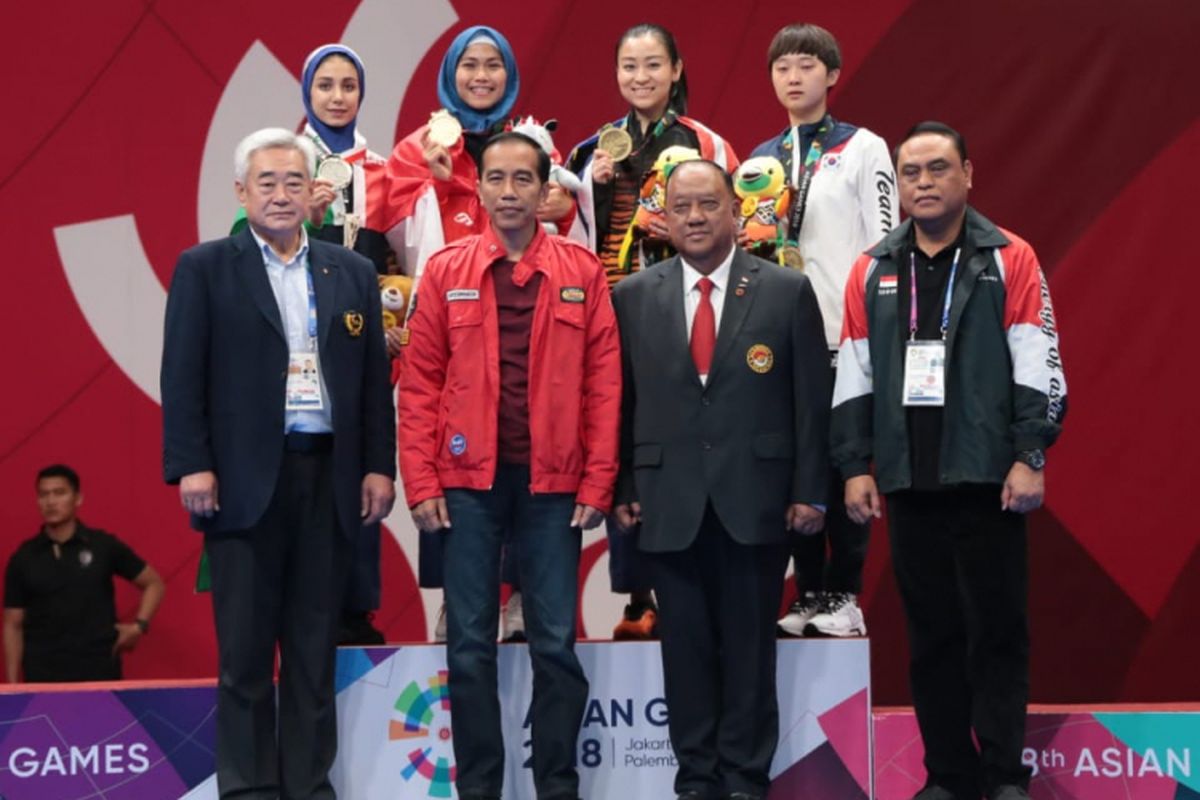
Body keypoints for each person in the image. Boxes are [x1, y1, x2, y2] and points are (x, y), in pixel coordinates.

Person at [833, 121, 1067, 800]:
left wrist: (1029, 452)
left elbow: (1038, 359)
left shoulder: (1008, 257)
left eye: (938, 169)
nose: (924, 183)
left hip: (988, 479)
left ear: (969, 173)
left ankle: (1002, 775)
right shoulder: (873, 266)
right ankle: (946, 776)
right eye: (912, 172)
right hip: (908, 480)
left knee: (997, 633)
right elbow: (853, 371)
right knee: (931, 637)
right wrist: (854, 464)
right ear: (899, 183)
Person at [161, 127, 396, 800]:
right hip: (240, 485)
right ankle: (247, 790)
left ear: (313, 194)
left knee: (313, 654)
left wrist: (379, 466)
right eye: (267, 182)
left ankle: (309, 786)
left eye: (294, 182)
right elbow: (182, 376)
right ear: (241, 192)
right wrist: (191, 466)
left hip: (329, 479)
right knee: (243, 656)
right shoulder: (204, 268)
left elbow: (372, 383)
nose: (281, 195)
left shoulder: (349, 270)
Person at [396, 132, 620, 800]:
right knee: (468, 649)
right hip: (467, 487)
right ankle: (479, 790)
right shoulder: (445, 270)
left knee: (554, 645)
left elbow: (605, 385)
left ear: (547, 188)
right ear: (480, 187)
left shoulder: (582, 270)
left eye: (524, 179)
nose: (509, 192)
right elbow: (419, 382)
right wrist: (421, 478)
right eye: (495, 179)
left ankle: (558, 788)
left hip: (554, 485)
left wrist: (599, 478)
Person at [611, 159, 831, 800]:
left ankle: (743, 779)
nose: (696, 217)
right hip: (665, 501)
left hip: (757, 500)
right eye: (682, 207)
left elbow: (810, 403)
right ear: (666, 217)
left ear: (736, 211)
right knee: (683, 654)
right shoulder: (632, 296)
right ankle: (697, 780)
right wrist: (623, 484)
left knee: (748, 653)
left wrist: (809, 489)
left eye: (709, 205)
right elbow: (617, 404)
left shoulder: (786, 290)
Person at [386, 25, 571, 642]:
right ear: (450, 73)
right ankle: (459, 598)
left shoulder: (533, 144)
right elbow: (383, 233)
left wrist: (557, 204)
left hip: (523, 317)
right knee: (450, 461)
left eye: (495, 64)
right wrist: (439, 181)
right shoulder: (418, 148)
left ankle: (518, 596)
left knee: (525, 453)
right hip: (448, 321)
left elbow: (568, 220)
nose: (482, 76)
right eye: (470, 64)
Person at [566, 22, 739, 640]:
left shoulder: (706, 144)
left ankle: (693, 581)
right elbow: (566, 232)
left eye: (652, 65)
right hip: (609, 314)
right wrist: (592, 188)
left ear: (676, 69)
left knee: (688, 433)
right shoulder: (593, 150)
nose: (640, 77)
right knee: (621, 439)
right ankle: (637, 592)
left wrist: (684, 230)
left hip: (687, 307)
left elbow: (739, 223)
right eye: (628, 67)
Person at [229, 42, 395, 646]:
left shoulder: (386, 170)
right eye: (324, 85)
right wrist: (308, 214)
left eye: (348, 85)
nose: (337, 96)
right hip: (281, 401)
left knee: (359, 481)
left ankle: (359, 609)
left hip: (358, 348)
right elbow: (239, 257)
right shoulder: (283, 167)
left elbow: (407, 260)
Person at [746, 23, 898, 639]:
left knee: (843, 465)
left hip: (845, 331)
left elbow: (886, 240)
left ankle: (844, 593)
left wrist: (875, 329)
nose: (793, 77)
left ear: (832, 75)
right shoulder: (759, 160)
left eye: (806, 65)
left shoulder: (863, 148)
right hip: (779, 337)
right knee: (794, 466)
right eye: (782, 67)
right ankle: (808, 592)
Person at [3, 464, 165, 683]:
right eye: (44, 494)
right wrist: (13, 688)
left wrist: (139, 626)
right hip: (43, 677)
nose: (51, 501)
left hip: (99, 672)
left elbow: (154, 583)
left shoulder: (103, 546)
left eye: (59, 493)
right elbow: (13, 624)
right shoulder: (23, 557)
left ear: (77, 498)